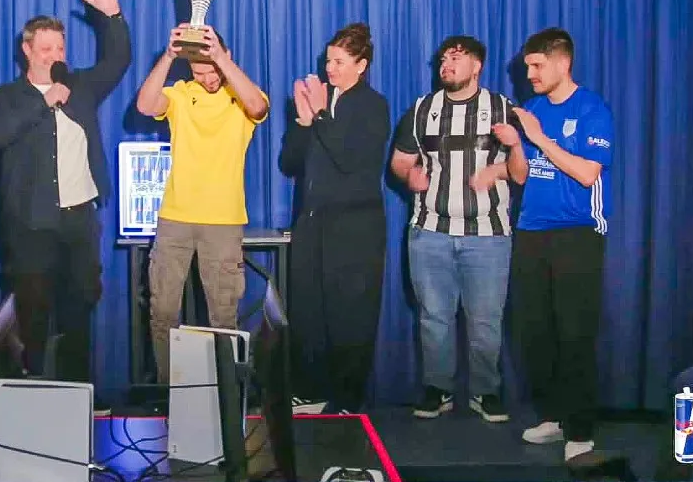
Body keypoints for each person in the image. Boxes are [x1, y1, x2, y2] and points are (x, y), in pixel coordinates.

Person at [0, 0, 130, 415]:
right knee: (34, 313)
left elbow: (118, 61)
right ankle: (35, 401)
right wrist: (43, 103)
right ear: (26, 50)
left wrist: (112, 16)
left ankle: (81, 396)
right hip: (31, 225)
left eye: (60, 48)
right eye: (45, 48)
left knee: (80, 309)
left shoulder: (81, 86)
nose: (54, 55)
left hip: (79, 220)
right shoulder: (8, 96)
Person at [389, 35, 524, 423]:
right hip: (429, 232)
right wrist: (409, 175)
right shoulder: (422, 109)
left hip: (488, 235)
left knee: (485, 320)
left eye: (456, 58)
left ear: (477, 66)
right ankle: (438, 388)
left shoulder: (502, 108)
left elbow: (521, 172)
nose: (446, 65)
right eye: (443, 59)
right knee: (434, 318)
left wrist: (499, 167)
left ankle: (486, 391)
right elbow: (399, 162)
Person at [135, 23, 269, 386]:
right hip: (174, 219)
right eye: (199, 72)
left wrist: (221, 60)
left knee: (223, 318)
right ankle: (169, 392)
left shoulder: (242, 95)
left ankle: (226, 399)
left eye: (212, 71)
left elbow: (258, 107)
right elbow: (145, 105)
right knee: (163, 312)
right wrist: (168, 56)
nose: (207, 79)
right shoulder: (181, 94)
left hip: (223, 222)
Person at [505, 27, 614, 462]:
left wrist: (538, 139)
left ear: (562, 63)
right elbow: (520, 176)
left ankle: (580, 428)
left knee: (574, 333)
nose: (529, 74)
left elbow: (588, 174)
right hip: (531, 231)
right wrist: (516, 145)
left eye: (537, 65)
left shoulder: (591, 109)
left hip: (578, 233)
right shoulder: (533, 109)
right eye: (527, 66)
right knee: (535, 332)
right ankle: (552, 415)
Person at [278, 23, 390, 415]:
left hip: (355, 228)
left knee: (350, 315)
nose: (330, 68)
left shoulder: (373, 106)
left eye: (340, 62)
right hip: (312, 224)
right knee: (309, 311)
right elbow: (290, 163)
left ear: (362, 65)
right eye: (328, 60)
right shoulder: (320, 103)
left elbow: (348, 158)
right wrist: (302, 121)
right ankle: (311, 390)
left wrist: (321, 113)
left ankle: (347, 399)